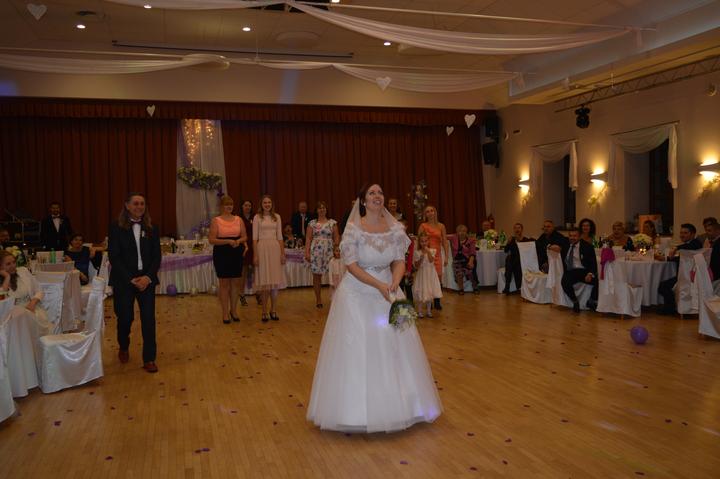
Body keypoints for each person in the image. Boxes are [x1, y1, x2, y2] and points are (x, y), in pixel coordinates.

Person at [307, 183, 442, 433]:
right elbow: (351, 265)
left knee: (397, 346)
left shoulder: (395, 228)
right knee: (360, 347)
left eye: (380, 192)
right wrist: (378, 285)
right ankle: (355, 411)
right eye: (371, 193)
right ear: (363, 201)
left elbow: (399, 261)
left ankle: (403, 406)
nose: (377, 196)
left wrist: (395, 282)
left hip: (389, 290)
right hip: (358, 293)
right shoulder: (353, 229)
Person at [108, 192, 161, 373]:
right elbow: (114, 256)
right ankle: (123, 345)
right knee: (125, 318)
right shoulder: (116, 227)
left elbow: (157, 256)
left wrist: (147, 277)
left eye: (142, 204)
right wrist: (130, 278)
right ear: (127, 206)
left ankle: (149, 358)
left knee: (148, 320)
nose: (139, 207)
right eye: (136, 203)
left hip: (146, 280)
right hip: (124, 280)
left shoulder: (152, 227)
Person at [209, 195, 248, 325]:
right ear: (221, 206)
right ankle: (225, 313)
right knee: (224, 284)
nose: (229, 207)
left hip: (236, 252)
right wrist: (228, 241)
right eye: (226, 204)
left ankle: (234, 311)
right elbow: (211, 240)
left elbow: (245, 237)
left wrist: (238, 241)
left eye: (231, 204)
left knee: (235, 284)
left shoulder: (239, 219)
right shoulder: (216, 220)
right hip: (222, 253)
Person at [0, 250, 53, 335]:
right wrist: (7, 277)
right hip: (11, 315)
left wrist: (33, 302)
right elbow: (2, 301)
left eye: (14, 262)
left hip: (31, 308)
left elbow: (39, 290)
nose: (13, 266)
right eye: (8, 264)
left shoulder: (23, 271)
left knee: (33, 320)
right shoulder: (4, 280)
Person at [657, 223, 703, 314]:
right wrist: (670, 255)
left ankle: (669, 309)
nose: (682, 235)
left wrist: (675, 248)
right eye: (681, 233)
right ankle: (670, 307)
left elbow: (686, 250)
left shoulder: (695, 244)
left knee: (663, 286)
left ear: (693, 234)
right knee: (664, 284)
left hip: (690, 278)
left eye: (685, 233)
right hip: (686, 276)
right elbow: (682, 256)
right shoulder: (688, 245)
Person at [253, 195, 286, 322]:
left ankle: (274, 310)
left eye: (269, 202)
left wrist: (282, 253)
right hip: (262, 249)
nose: (267, 204)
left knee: (274, 281)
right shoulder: (257, 217)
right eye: (265, 202)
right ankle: (264, 311)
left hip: (275, 248)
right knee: (265, 282)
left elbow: (280, 237)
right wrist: (255, 255)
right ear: (261, 204)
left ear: (272, 204)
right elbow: (254, 239)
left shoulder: (277, 217)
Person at [554, 228, 598, 313]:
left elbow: (593, 263)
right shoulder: (565, 244)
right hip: (571, 271)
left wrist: (590, 274)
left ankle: (591, 301)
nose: (572, 238)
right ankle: (575, 301)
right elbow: (553, 243)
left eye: (575, 236)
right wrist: (549, 246)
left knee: (598, 281)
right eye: (570, 236)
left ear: (580, 236)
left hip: (584, 271)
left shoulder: (587, 246)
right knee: (565, 282)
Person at [305, 201, 339, 308]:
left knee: (334, 275)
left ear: (326, 209)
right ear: (316, 210)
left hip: (330, 251)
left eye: (323, 207)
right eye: (319, 208)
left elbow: (336, 238)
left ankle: (335, 298)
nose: (322, 209)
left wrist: (337, 250)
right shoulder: (312, 223)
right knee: (317, 276)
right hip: (316, 251)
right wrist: (307, 252)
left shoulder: (332, 223)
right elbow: (308, 238)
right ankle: (318, 300)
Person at [418, 205, 449, 311]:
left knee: (438, 277)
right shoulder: (423, 226)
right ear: (425, 214)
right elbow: (419, 241)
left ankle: (437, 301)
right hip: (427, 254)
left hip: (438, 255)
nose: (430, 213)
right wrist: (421, 254)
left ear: (435, 212)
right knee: (428, 277)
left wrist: (446, 257)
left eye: (432, 210)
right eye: (427, 211)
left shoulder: (441, 226)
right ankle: (429, 300)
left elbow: (445, 242)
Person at [413, 230, 443, 317]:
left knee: (429, 291)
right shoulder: (417, 252)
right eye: (422, 241)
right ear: (419, 242)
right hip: (422, 275)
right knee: (421, 291)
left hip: (430, 274)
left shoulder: (432, 251)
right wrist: (421, 258)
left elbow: (431, 260)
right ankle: (420, 311)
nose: (424, 243)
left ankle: (429, 311)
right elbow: (417, 266)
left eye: (425, 241)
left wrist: (428, 251)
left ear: (428, 241)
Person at [503, 223, 532, 294]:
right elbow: (505, 250)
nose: (517, 229)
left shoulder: (526, 240)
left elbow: (529, 252)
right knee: (509, 259)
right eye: (515, 228)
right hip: (512, 260)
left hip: (522, 259)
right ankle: (509, 286)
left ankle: (508, 286)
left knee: (512, 261)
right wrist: (508, 242)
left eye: (519, 228)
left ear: (522, 229)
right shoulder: (511, 239)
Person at [238, 200, 257, 307]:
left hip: (254, 246)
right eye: (245, 205)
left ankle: (258, 293)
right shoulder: (238, 218)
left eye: (249, 205)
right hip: (243, 247)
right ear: (242, 206)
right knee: (243, 272)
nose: (248, 207)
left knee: (256, 271)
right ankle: (241, 295)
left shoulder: (255, 217)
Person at [451, 224, 478, 295]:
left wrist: (471, 262)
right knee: (459, 273)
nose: (462, 233)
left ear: (466, 232)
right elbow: (443, 236)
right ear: (457, 232)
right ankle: (461, 289)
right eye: (460, 231)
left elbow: (473, 253)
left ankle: (475, 287)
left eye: (464, 231)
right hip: (457, 260)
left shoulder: (471, 240)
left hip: (468, 259)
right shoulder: (453, 238)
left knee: (472, 273)